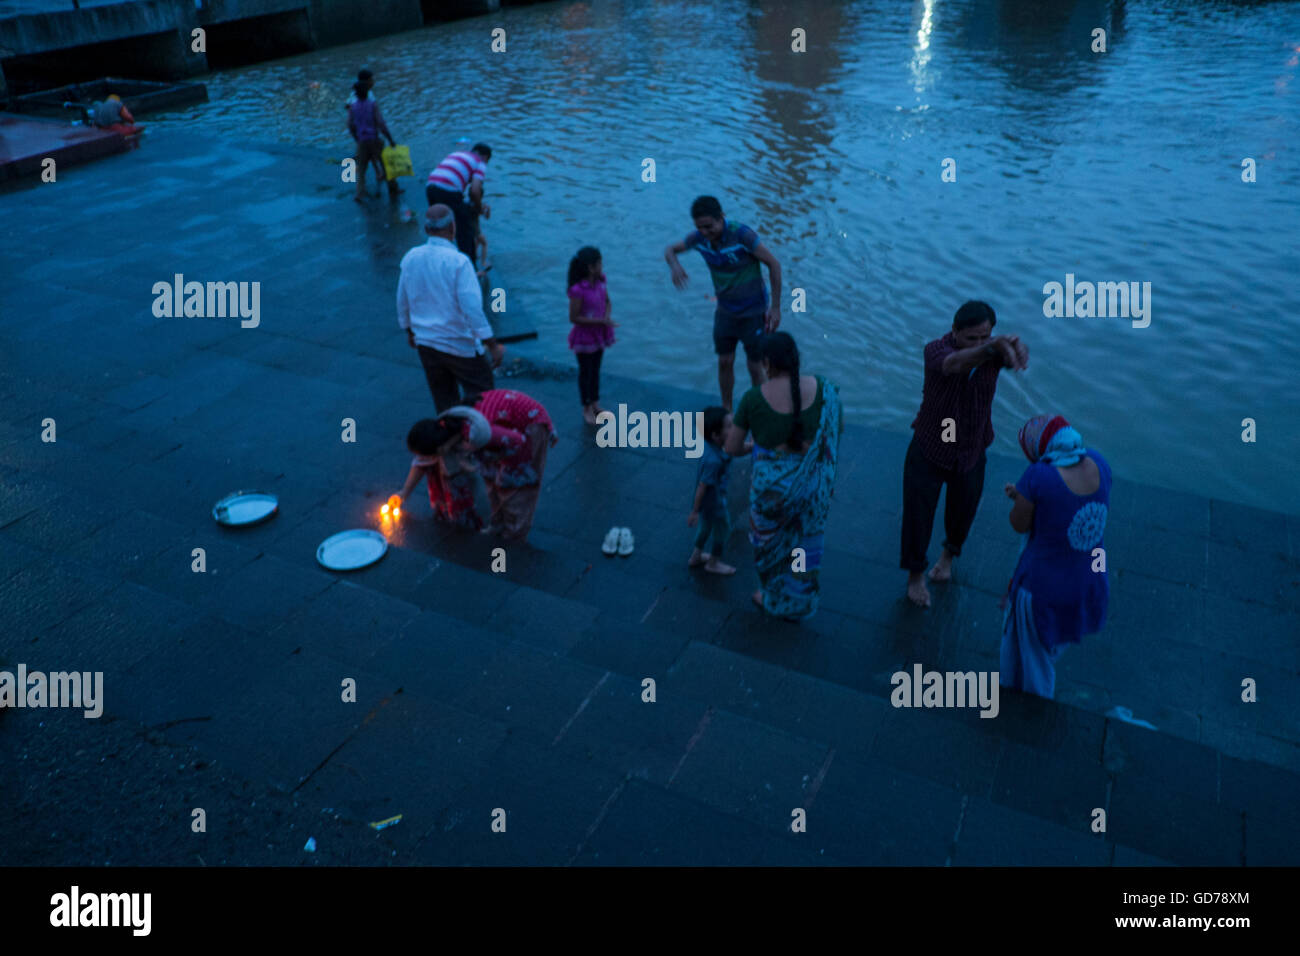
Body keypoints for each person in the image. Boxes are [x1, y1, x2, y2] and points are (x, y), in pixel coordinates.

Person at [901, 300, 1029, 608]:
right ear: (955, 332)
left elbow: (1013, 360)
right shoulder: (936, 350)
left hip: (971, 447)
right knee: (917, 516)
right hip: (931, 445)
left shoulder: (993, 354)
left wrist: (1016, 349)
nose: (980, 344)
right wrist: (989, 349)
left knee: (963, 513)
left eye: (985, 337)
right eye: (972, 338)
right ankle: (915, 577)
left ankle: (947, 558)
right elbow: (954, 364)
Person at [725, 332, 842, 619]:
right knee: (806, 543)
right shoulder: (826, 389)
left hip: (770, 494)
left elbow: (731, 447)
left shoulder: (753, 398)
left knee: (768, 547)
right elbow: (833, 437)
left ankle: (771, 597)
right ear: (796, 359)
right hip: (813, 489)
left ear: (766, 363)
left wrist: (758, 448)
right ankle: (800, 600)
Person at [1000, 415, 1111, 699]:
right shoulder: (1100, 463)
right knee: (1055, 644)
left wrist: (1026, 495)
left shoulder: (1038, 476)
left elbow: (1019, 524)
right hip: (1090, 580)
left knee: (1035, 666)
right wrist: (1025, 495)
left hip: (1042, 590)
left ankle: (1033, 721)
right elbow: (1068, 506)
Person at [664, 196, 782, 411]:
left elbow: (774, 264)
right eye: (700, 228)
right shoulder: (699, 238)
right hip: (726, 312)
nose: (706, 232)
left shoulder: (742, 235)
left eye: (709, 226)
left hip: (753, 311)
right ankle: (727, 410)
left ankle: (760, 412)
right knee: (724, 362)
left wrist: (775, 307)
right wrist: (675, 266)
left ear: (722, 218)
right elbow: (670, 250)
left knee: (755, 366)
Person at [395, 389, 557, 541]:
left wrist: (502, 468)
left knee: (514, 489)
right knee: (492, 483)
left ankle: (514, 536)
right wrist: (403, 493)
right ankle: (497, 525)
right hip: (501, 427)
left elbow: (518, 441)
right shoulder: (442, 429)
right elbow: (422, 462)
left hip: (529, 424)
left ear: (441, 449)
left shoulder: (475, 432)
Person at [398, 205, 505, 411]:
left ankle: (450, 439)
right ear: (452, 227)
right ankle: (478, 439)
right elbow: (472, 309)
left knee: (444, 402)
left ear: (427, 229)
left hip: (427, 344)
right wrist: (492, 344)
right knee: (483, 398)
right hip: (459, 344)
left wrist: (409, 330)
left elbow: (402, 300)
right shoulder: (459, 262)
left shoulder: (411, 257)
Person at [567, 246, 615, 425]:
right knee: (585, 372)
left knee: (596, 369)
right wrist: (600, 321)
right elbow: (574, 318)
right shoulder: (578, 290)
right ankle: (586, 408)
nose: (602, 265)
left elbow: (608, 301)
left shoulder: (601, 282)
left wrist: (606, 317)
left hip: (600, 334)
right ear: (591, 267)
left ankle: (595, 403)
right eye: (600, 263)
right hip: (585, 337)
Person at [688, 406, 736, 575]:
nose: (734, 428)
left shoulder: (710, 447)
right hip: (715, 503)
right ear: (716, 435)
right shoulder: (713, 461)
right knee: (723, 530)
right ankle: (714, 563)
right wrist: (694, 511)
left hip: (707, 505)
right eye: (729, 426)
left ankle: (696, 556)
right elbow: (703, 486)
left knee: (705, 528)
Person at [426, 143, 493, 260]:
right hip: (448, 190)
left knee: (439, 226)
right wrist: (479, 207)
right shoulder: (480, 162)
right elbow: (475, 190)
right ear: (486, 157)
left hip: (430, 187)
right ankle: (470, 268)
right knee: (464, 232)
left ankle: (437, 258)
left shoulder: (457, 154)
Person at [347, 79, 397, 202]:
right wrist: (390, 139)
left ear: (356, 94)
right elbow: (381, 123)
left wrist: (356, 138)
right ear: (367, 92)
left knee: (362, 169)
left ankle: (359, 193)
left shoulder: (352, 107)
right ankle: (393, 188)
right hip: (374, 139)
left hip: (362, 141)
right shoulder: (372, 105)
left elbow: (350, 124)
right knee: (386, 165)